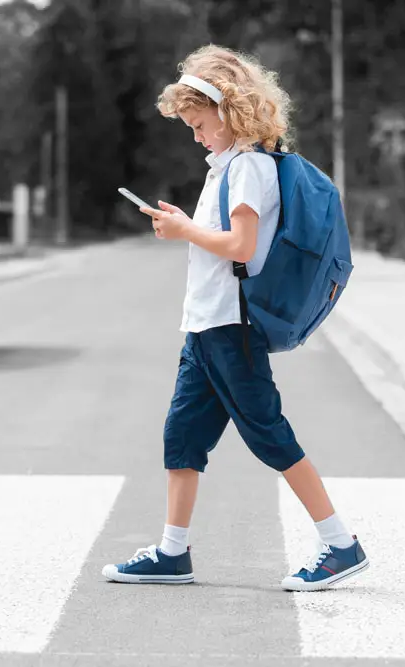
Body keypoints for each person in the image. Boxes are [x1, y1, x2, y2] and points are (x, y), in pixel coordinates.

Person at [101, 45, 369, 592]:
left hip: (231, 327)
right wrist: (187, 225)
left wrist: (184, 230)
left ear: (228, 112)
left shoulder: (248, 166)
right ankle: (173, 553)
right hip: (205, 327)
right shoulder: (228, 166)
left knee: (269, 435)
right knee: (182, 438)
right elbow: (224, 239)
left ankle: (341, 544)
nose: (196, 137)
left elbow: (241, 246)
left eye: (199, 125)